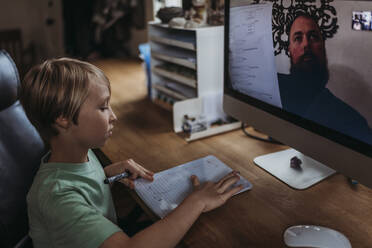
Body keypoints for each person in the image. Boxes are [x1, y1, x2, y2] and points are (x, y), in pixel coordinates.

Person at [19, 58, 243, 248]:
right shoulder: (57, 198)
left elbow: (78, 183)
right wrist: (197, 201)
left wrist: (106, 175)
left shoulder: (76, 153)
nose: (113, 116)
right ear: (63, 119)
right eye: (103, 107)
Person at [278, 13, 372, 144]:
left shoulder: (352, 120)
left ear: (323, 46)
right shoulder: (273, 88)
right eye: (298, 38)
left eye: (313, 37)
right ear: (290, 50)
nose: (306, 44)